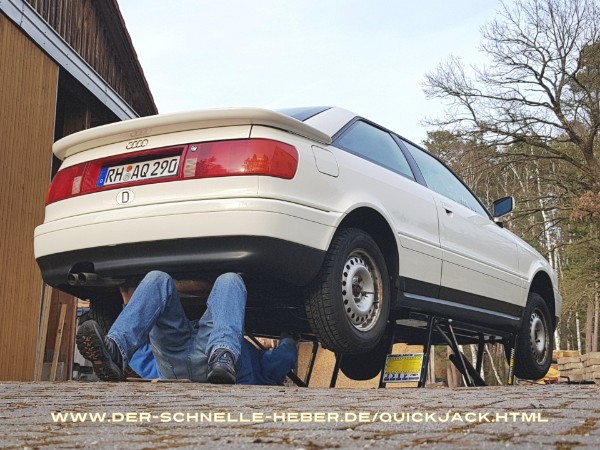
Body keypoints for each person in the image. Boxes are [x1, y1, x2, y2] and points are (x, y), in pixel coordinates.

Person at [76, 271, 297, 385]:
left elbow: (142, 356)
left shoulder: (263, 369)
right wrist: (289, 338)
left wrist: (128, 304)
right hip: (219, 364)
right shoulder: (264, 373)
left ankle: (116, 351)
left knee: (156, 279)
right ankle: (223, 356)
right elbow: (283, 357)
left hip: (174, 363)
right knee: (230, 280)